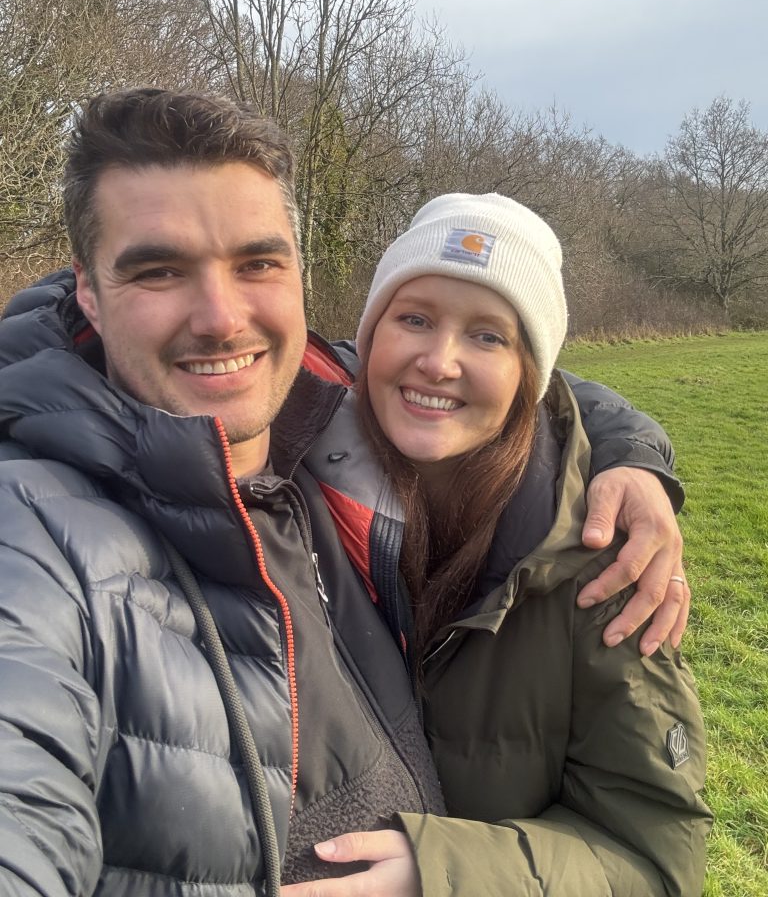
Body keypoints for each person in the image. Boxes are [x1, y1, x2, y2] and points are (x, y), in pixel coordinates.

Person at [0, 88, 686, 896]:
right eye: (158, 270)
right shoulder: (43, 533)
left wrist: (635, 457)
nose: (222, 317)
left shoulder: (586, 545)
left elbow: (653, 850)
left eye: (256, 262)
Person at [286, 194, 711, 896]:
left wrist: (445, 872)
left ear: (529, 375)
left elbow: (656, 856)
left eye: (488, 336)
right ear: (370, 337)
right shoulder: (285, 471)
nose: (439, 361)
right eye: (414, 318)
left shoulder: (604, 559)